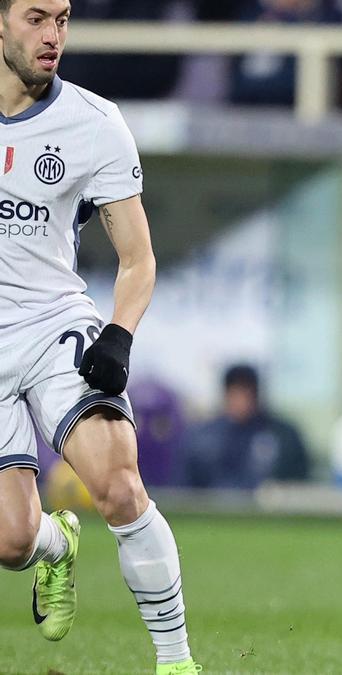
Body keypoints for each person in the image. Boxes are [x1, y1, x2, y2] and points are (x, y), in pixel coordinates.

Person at [0, 1, 199, 672]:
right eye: (35, 18)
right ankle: (55, 546)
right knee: (11, 539)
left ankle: (176, 663)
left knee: (117, 483)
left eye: (62, 18)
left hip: (55, 325)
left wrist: (118, 333)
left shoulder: (93, 123)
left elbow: (138, 259)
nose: (53, 35)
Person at [180, 364, 310, 489]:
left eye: (247, 392)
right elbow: (182, 489)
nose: (242, 400)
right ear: (226, 395)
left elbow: (298, 484)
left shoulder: (283, 435)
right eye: (236, 392)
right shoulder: (200, 438)